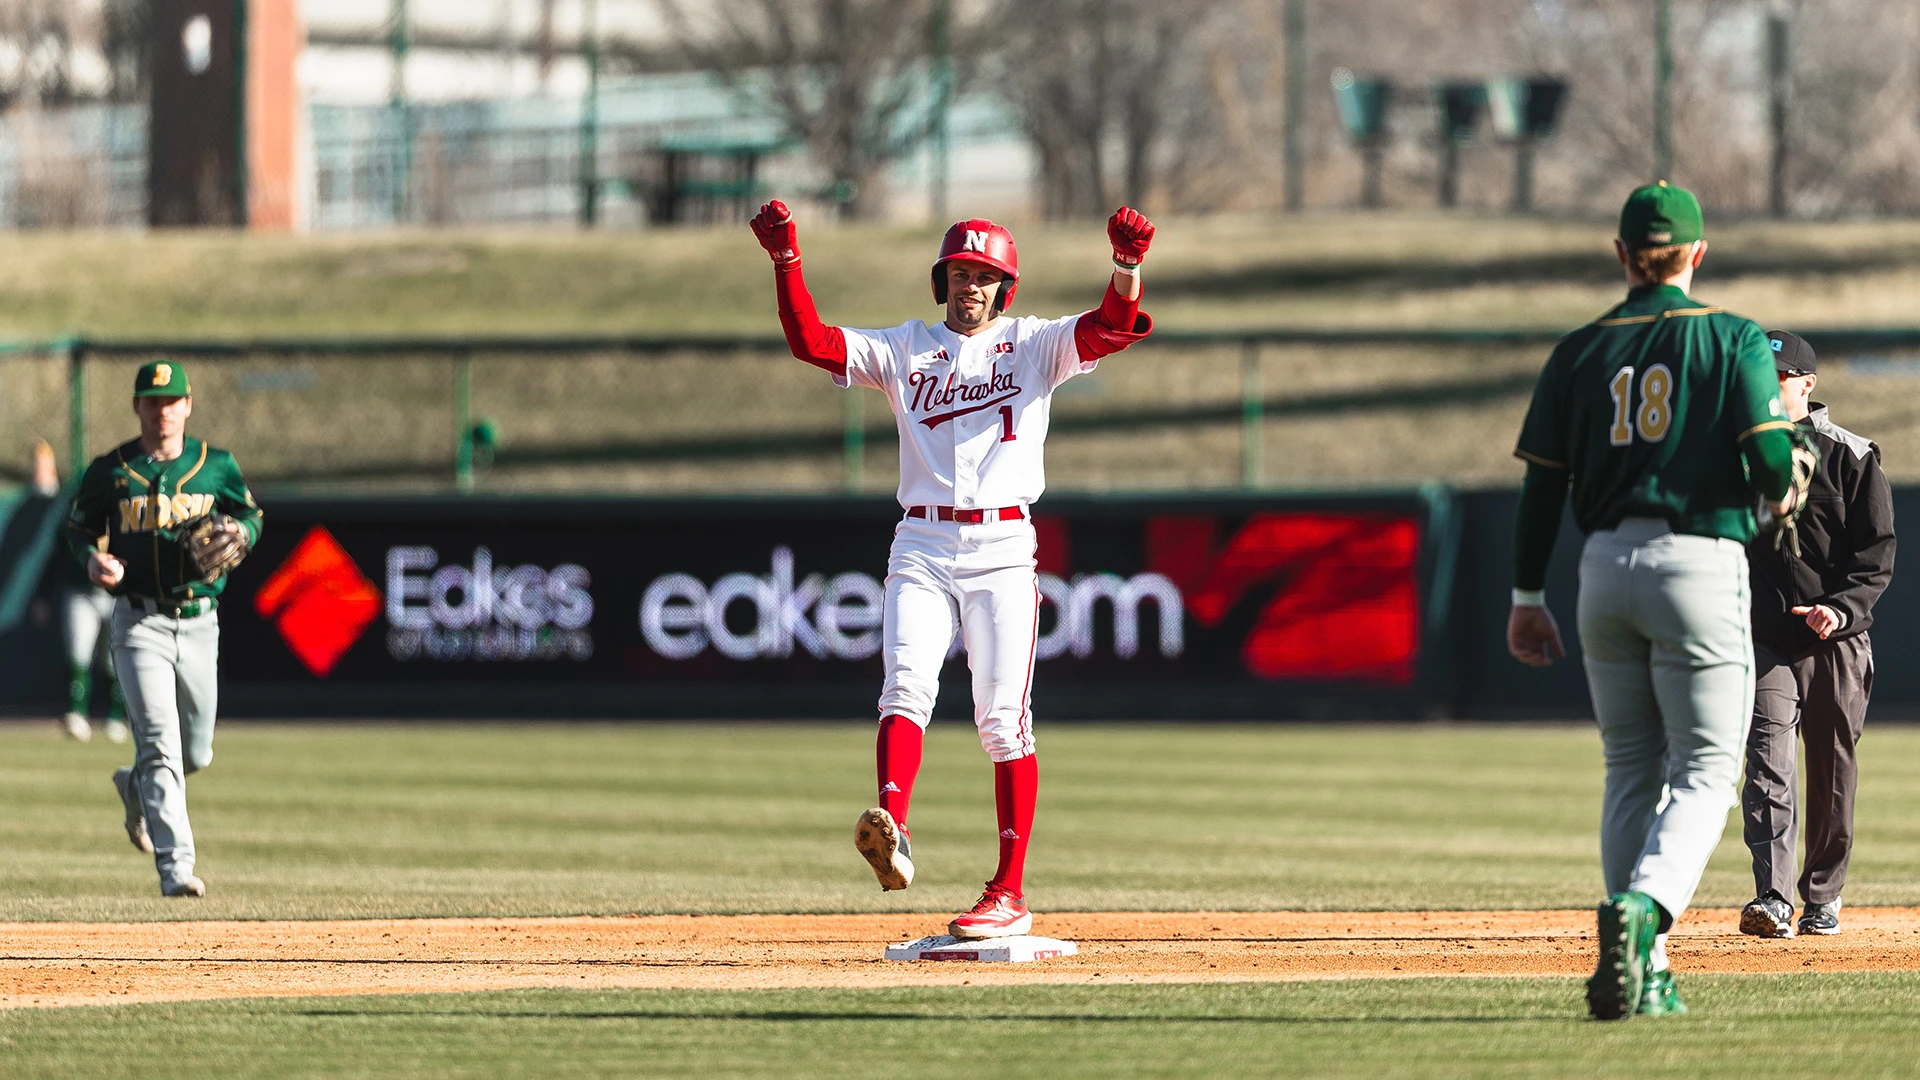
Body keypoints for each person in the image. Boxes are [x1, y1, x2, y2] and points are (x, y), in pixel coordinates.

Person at [749, 199, 1154, 939]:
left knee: (1003, 720)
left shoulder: (1034, 345)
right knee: (903, 687)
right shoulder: (906, 348)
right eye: (960, 272)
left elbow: (1112, 326)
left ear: (1005, 287)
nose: (970, 284)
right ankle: (892, 827)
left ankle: (1009, 891)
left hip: (1003, 549)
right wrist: (787, 261)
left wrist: (1126, 268)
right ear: (942, 281)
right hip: (922, 542)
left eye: (983, 275)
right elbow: (812, 342)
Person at [1506, 182, 1800, 1020]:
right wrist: (1784, 480)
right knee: (1704, 770)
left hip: (1602, 566)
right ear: (1697, 253)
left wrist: (1527, 595)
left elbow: (1541, 489)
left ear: (1622, 255)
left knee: (1629, 766)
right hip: (1699, 560)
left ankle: (1650, 969)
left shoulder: (1578, 351)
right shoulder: (1731, 335)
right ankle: (1646, 910)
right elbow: (1771, 467)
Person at [66, 361, 262, 898]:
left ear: (188, 405)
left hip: (200, 621)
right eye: (153, 401)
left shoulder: (214, 465)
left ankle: (134, 786)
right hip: (139, 621)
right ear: (137, 406)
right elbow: (79, 529)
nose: (163, 411)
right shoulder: (111, 471)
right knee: (158, 744)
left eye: (172, 401)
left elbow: (252, 516)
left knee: (195, 753)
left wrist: (242, 530)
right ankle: (176, 867)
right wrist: (91, 559)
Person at [1738, 331, 1895, 939]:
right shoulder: (1739, 455)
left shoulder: (1851, 455)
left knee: (1831, 769)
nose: (1766, 385)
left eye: (1777, 375)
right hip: (1765, 637)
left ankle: (1822, 897)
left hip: (1835, 638)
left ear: (1806, 383)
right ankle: (1773, 897)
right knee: (1767, 762)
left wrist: (1842, 610)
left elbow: (1876, 556)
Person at [37, 436, 133, 745]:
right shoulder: (74, 516)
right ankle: (77, 713)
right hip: (81, 591)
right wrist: (43, 595)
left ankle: (116, 717)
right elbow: (56, 556)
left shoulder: (126, 510)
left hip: (116, 594)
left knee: (113, 658)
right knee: (79, 652)